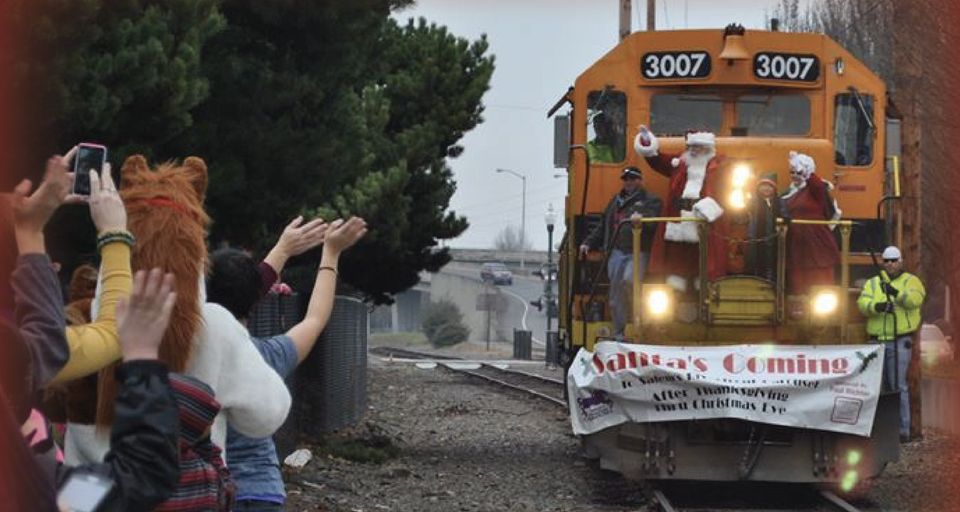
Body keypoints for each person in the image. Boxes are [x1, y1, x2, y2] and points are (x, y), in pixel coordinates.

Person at [206, 216, 367, 511]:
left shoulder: (186, 354)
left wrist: (282, 249)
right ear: (257, 301)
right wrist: (330, 254)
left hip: (208, 493)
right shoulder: (265, 356)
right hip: (261, 491)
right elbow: (315, 319)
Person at [634, 125, 729, 292]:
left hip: (704, 216)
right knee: (678, 249)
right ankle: (677, 278)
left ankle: (703, 279)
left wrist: (708, 207)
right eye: (691, 147)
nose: (694, 150)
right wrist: (647, 141)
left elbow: (727, 190)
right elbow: (657, 160)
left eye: (698, 147)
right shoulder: (680, 163)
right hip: (679, 214)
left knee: (704, 251)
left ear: (707, 148)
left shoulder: (720, 165)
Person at [579, 167, 661, 335]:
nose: (628, 182)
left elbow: (654, 224)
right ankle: (620, 332)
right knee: (615, 294)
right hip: (616, 251)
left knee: (630, 279)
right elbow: (603, 225)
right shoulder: (615, 202)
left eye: (632, 179)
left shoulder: (650, 201)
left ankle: (641, 321)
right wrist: (588, 243)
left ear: (640, 180)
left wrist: (641, 219)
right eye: (626, 179)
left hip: (638, 252)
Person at [856, 246, 925, 442]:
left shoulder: (912, 282)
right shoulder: (873, 283)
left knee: (898, 385)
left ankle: (903, 430)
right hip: (877, 341)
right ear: (882, 262)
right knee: (876, 387)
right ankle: (877, 430)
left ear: (901, 261)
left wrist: (895, 292)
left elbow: (914, 301)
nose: (890, 264)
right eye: (887, 261)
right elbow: (862, 304)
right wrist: (877, 306)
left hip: (900, 339)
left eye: (894, 260)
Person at [781, 151, 841, 294]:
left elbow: (817, 185)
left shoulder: (816, 190)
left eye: (798, 172)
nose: (795, 175)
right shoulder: (788, 193)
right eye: (792, 172)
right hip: (796, 244)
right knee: (798, 282)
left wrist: (807, 173)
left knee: (820, 281)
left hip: (816, 242)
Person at [745, 173, 782, 281]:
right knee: (754, 259)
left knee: (770, 260)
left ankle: (770, 280)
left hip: (772, 236)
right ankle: (755, 279)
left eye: (769, 186)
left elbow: (785, 214)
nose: (766, 188)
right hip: (755, 236)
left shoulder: (779, 202)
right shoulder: (753, 202)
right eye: (763, 185)